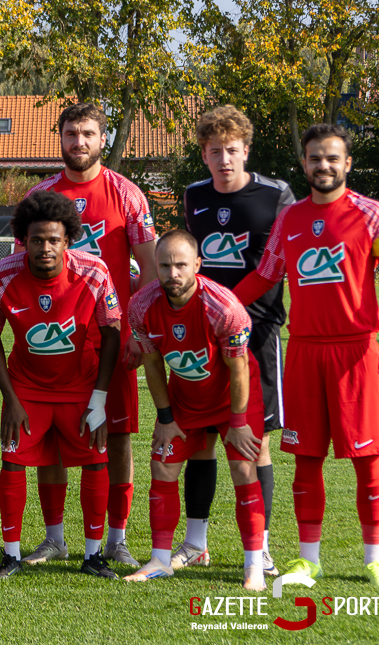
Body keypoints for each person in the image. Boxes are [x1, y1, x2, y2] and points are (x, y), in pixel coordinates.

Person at [234, 123, 379, 591]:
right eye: (315, 159)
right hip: (305, 354)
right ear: (305, 164)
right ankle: (309, 561)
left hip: (356, 355)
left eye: (332, 158)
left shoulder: (372, 216)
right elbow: (263, 276)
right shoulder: (289, 220)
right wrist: (220, 304)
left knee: (367, 459)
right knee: (306, 457)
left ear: (347, 163)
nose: (324, 166)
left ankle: (376, 559)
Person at [21, 103, 157, 568]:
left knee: (116, 438)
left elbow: (152, 268)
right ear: (59, 137)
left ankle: (116, 539)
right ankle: (55, 537)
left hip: (110, 338)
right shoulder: (39, 196)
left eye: (88, 134)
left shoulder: (127, 194)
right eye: (71, 133)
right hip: (52, 339)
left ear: (103, 139)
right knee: (53, 441)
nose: (79, 142)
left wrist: (136, 328)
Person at [179, 105, 295, 577]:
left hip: (258, 331)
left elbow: (275, 266)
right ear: (204, 156)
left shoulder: (277, 195)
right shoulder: (193, 195)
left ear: (246, 150)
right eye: (214, 152)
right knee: (199, 439)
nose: (224, 159)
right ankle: (195, 542)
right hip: (203, 334)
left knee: (255, 445)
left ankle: (260, 545)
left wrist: (226, 305)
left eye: (232, 150)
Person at [0, 190, 122, 579]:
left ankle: (93, 555)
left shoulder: (93, 272)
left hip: (80, 387)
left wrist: (99, 398)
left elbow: (112, 333)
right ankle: (11, 555)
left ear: (68, 240)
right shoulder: (1, 274)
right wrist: (9, 398)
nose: (45, 248)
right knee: (12, 461)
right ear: (23, 239)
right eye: (37, 240)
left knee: (95, 460)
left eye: (54, 240)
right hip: (26, 389)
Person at [124, 230, 267, 590]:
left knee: (243, 466)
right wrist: (166, 418)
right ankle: (160, 559)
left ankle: (254, 565)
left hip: (232, 399)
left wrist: (237, 423)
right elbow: (153, 365)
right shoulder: (141, 305)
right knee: (162, 464)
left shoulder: (224, 307)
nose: (173, 273)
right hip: (185, 399)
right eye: (166, 265)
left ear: (198, 265)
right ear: (155, 266)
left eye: (181, 265)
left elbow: (238, 369)